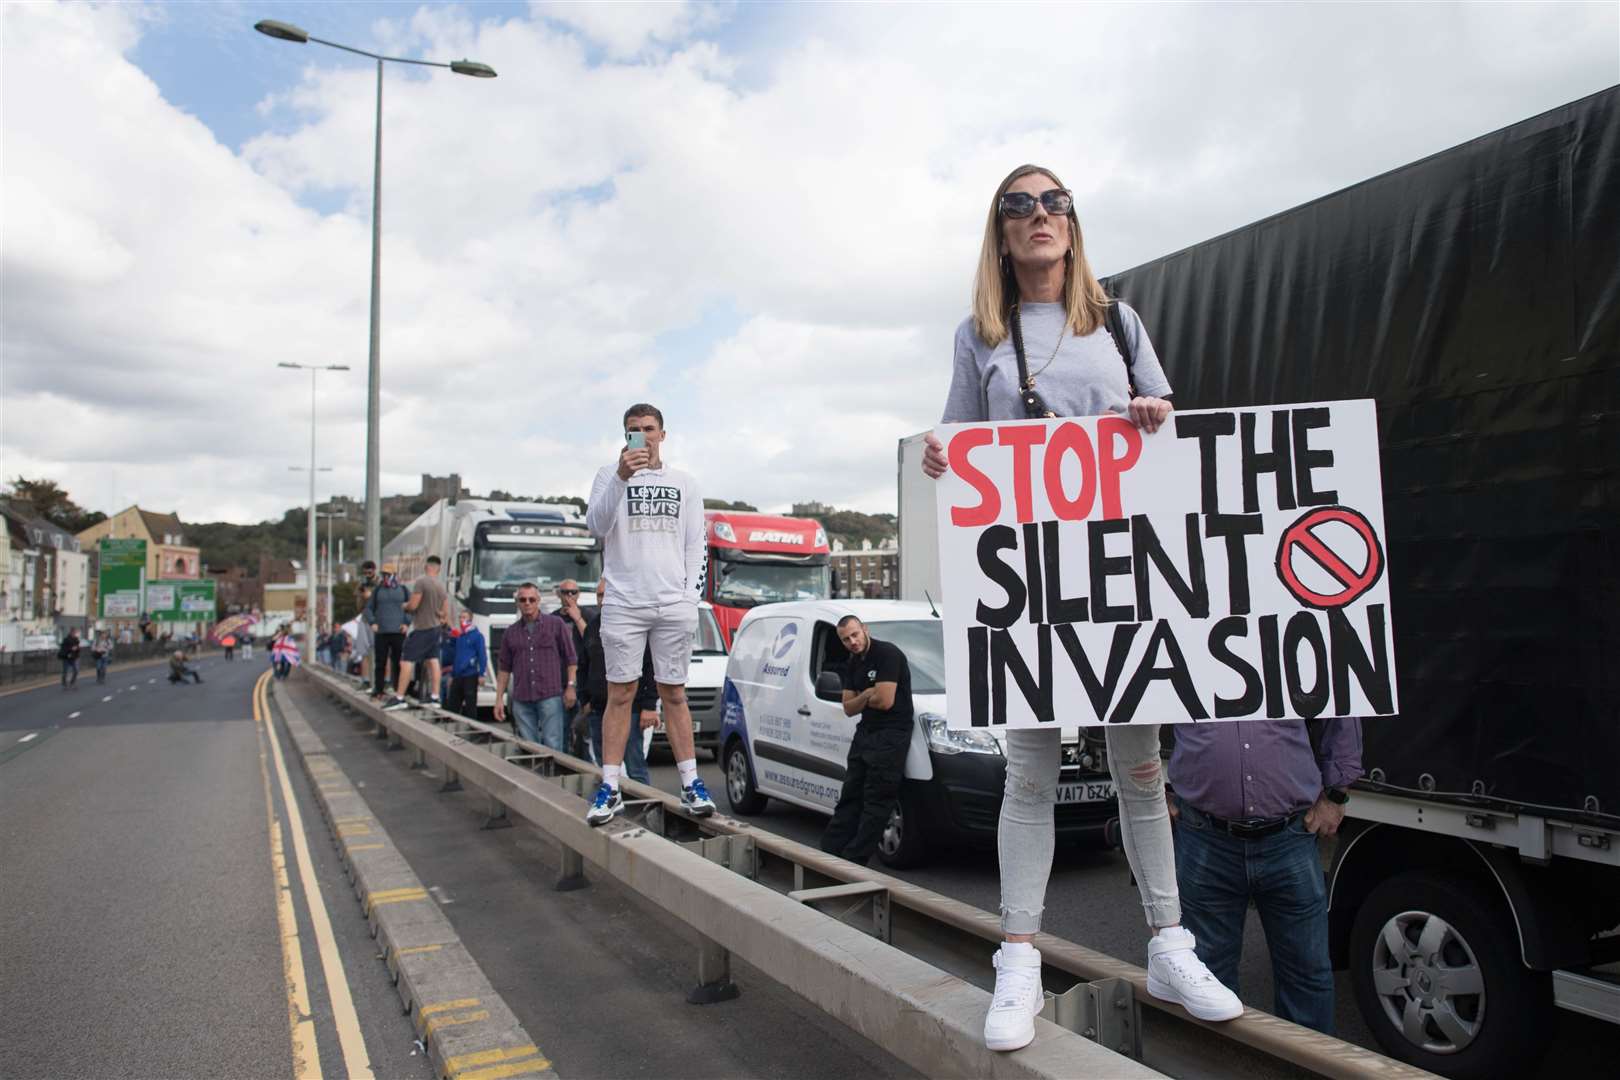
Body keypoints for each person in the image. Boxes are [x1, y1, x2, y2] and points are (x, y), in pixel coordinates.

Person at [922, 164, 1241, 1050]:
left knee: (1142, 771)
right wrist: (940, 461)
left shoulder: (1117, 319)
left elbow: (1166, 428)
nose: (1038, 216)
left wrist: (1151, 413)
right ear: (1001, 231)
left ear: (1072, 221)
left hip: (1117, 570)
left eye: (1053, 201)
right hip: (1028, 575)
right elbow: (956, 441)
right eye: (1018, 205)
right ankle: (1016, 960)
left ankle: (1171, 945)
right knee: (1031, 774)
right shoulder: (978, 334)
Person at [1167, 720, 1363, 1033]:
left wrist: (1337, 795)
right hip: (1206, 837)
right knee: (1205, 977)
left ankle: (1305, 1070)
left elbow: (1341, 709)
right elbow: (1138, 713)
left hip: (1289, 839)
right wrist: (1149, 794)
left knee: (1307, 976)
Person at [583, 402, 714, 825]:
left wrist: (689, 599)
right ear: (626, 436)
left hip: (672, 604)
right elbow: (596, 526)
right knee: (619, 694)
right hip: (623, 601)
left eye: (649, 428)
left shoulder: (684, 482)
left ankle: (692, 783)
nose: (643, 435)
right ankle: (610, 785)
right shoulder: (609, 475)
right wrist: (622, 476)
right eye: (634, 430)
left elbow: (697, 544)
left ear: (663, 433)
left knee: (674, 693)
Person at [819, 616, 914, 866]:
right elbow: (848, 708)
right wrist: (867, 695)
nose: (852, 642)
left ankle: (854, 860)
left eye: (855, 635)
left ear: (864, 630)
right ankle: (828, 854)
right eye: (846, 639)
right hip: (866, 731)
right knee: (850, 794)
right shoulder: (853, 662)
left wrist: (862, 697)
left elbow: (885, 701)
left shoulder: (887, 654)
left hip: (891, 734)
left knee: (876, 801)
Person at [576, 578, 653, 784]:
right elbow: (582, 667)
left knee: (636, 768)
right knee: (607, 770)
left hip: (631, 710)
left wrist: (649, 706)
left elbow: (649, 668)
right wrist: (584, 700)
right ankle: (612, 806)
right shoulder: (592, 627)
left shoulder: (633, 626)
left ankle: (644, 813)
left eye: (607, 594)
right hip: (598, 710)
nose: (603, 599)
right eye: (600, 595)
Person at [492, 582, 577, 748]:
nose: (527, 603)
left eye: (531, 599)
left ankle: (551, 775)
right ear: (517, 603)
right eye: (523, 600)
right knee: (529, 749)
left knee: (553, 745)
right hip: (522, 698)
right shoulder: (510, 632)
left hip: (550, 695)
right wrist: (498, 699)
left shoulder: (556, 624)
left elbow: (571, 658)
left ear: (538, 601)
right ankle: (533, 775)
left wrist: (571, 687)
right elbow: (504, 669)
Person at [382, 556, 449, 710]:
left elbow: (413, 605)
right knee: (433, 661)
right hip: (435, 628)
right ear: (438, 568)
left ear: (427, 566)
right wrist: (438, 615)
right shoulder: (440, 586)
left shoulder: (422, 582)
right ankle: (435, 697)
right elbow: (445, 612)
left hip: (422, 628)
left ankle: (399, 697)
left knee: (406, 661)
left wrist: (404, 606)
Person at [557, 579, 592, 757]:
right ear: (559, 594)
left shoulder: (588, 614)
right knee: (561, 730)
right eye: (565, 592)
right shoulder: (553, 618)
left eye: (573, 592)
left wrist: (577, 617)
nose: (569, 596)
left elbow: (591, 640)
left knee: (584, 733)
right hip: (560, 681)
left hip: (583, 681)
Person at [364, 564, 410, 701]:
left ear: (394, 575)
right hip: (382, 632)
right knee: (380, 663)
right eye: (384, 574)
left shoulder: (403, 590)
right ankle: (378, 689)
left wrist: (406, 623)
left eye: (388, 574)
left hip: (398, 632)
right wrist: (373, 622)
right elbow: (368, 609)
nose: (385, 577)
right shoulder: (378, 590)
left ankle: (399, 691)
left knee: (397, 663)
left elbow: (412, 608)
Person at [444, 609, 489, 720]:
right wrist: (453, 675)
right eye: (460, 617)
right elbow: (457, 657)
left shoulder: (477, 636)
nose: (461, 620)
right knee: (452, 705)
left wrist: (482, 673)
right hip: (458, 676)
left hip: (470, 674)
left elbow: (482, 655)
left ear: (470, 619)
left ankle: (472, 728)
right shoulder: (460, 637)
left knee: (470, 705)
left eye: (464, 617)